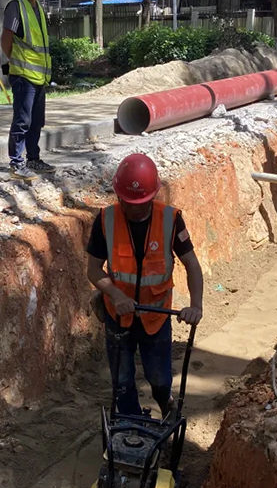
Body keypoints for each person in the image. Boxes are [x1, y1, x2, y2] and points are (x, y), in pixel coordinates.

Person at [86, 153, 204, 419]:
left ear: (153, 196)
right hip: (119, 316)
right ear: (118, 196)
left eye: (140, 203)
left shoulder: (170, 220)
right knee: (123, 381)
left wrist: (195, 306)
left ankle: (167, 406)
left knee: (160, 379)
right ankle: (130, 424)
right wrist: (115, 295)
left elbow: (192, 265)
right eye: (127, 203)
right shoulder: (105, 220)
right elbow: (93, 269)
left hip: (156, 316)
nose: (134, 209)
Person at [1, 0, 56, 182]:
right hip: (24, 76)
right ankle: (16, 163)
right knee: (22, 121)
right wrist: (15, 60)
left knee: (36, 121)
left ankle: (33, 159)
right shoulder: (17, 5)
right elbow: (6, 38)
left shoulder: (37, 7)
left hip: (38, 77)